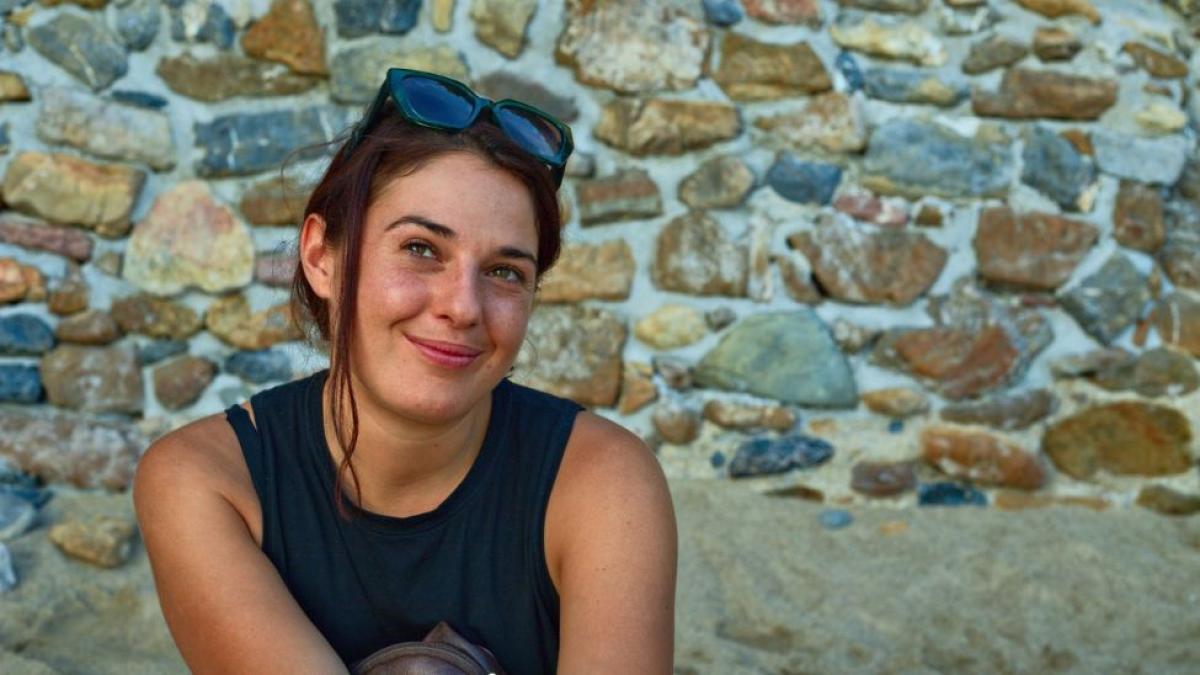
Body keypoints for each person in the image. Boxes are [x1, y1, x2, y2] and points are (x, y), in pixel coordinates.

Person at [133, 68, 677, 674]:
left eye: (505, 272)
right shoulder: (207, 481)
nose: (463, 306)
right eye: (421, 248)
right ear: (321, 257)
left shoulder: (603, 483)